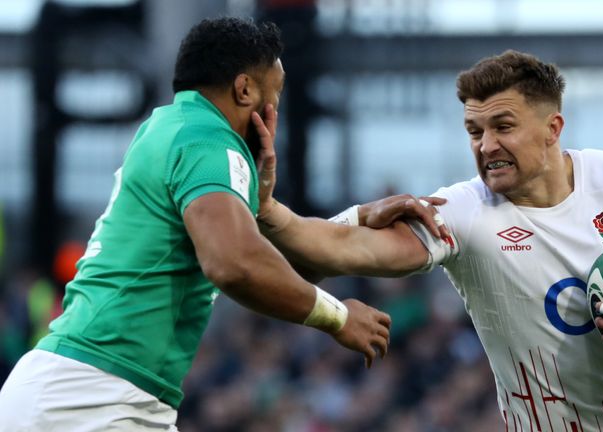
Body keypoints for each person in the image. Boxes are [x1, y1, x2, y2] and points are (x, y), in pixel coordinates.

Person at [253, 50, 603, 431]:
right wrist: (274, 211)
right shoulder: (464, 213)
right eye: (473, 130)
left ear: (552, 128)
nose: (486, 145)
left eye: (503, 126)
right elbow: (344, 251)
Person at [0, 17, 392, 431]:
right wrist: (337, 317)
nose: (275, 113)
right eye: (275, 95)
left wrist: (351, 220)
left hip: (91, 393)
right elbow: (235, 265)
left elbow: (275, 270)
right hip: (91, 399)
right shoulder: (207, 140)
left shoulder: (169, 126)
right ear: (244, 90)